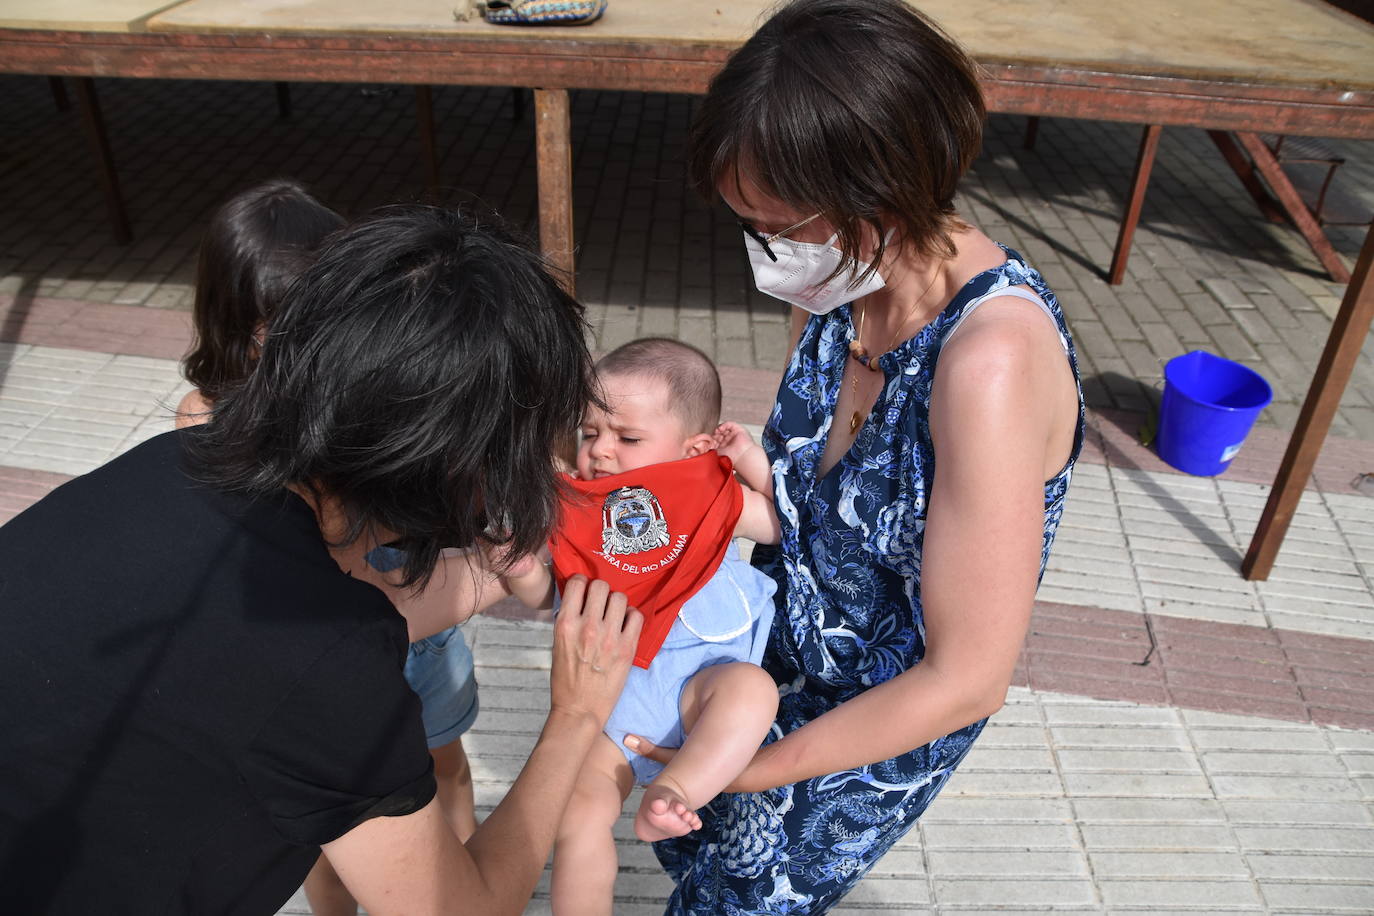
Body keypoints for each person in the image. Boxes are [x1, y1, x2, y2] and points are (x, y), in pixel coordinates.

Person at [0, 205, 642, 915]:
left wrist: (502, 576)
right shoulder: (332, 673)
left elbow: (290, 618)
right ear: (466, 460)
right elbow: (462, 909)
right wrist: (575, 715)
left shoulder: (169, 464)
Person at [628, 1, 1086, 911]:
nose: (764, 253)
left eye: (777, 225)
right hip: (769, 658)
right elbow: (803, 502)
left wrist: (753, 769)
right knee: (698, 859)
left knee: (743, 889)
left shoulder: (986, 364)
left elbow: (964, 677)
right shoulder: (841, 283)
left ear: (881, 193)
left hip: (873, 719)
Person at [173, 180, 485, 915]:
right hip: (307, 648)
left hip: (420, 632)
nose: (298, 348)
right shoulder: (206, 415)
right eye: (273, 328)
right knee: (327, 821)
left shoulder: (374, 390)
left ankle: (466, 887)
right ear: (232, 319)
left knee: (444, 768)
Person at [501, 338, 781, 914]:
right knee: (577, 816)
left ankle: (678, 789)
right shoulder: (573, 503)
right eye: (589, 433)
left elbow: (779, 523)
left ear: (694, 448)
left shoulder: (710, 492)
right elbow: (545, 595)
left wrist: (750, 460)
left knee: (755, 693)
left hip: (703, 689)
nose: (601, 451)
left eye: (627, 439)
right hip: (613, 700)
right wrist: (521, 568)